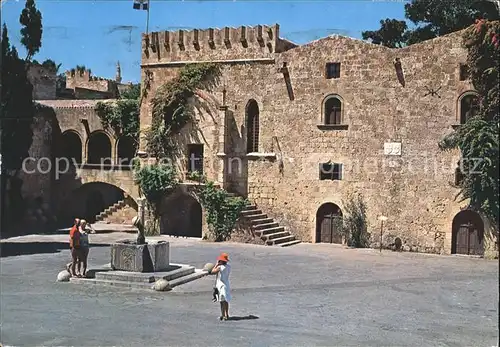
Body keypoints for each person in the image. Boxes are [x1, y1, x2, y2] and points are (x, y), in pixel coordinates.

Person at [210, 252, 231, 320]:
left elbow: (212, 272)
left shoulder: (220, 267)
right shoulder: (228, 267)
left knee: (222, 301)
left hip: (221, 285)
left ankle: (223, 315)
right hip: (226, 284)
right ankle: (227, 314)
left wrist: (216, 265)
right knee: (226, 300)